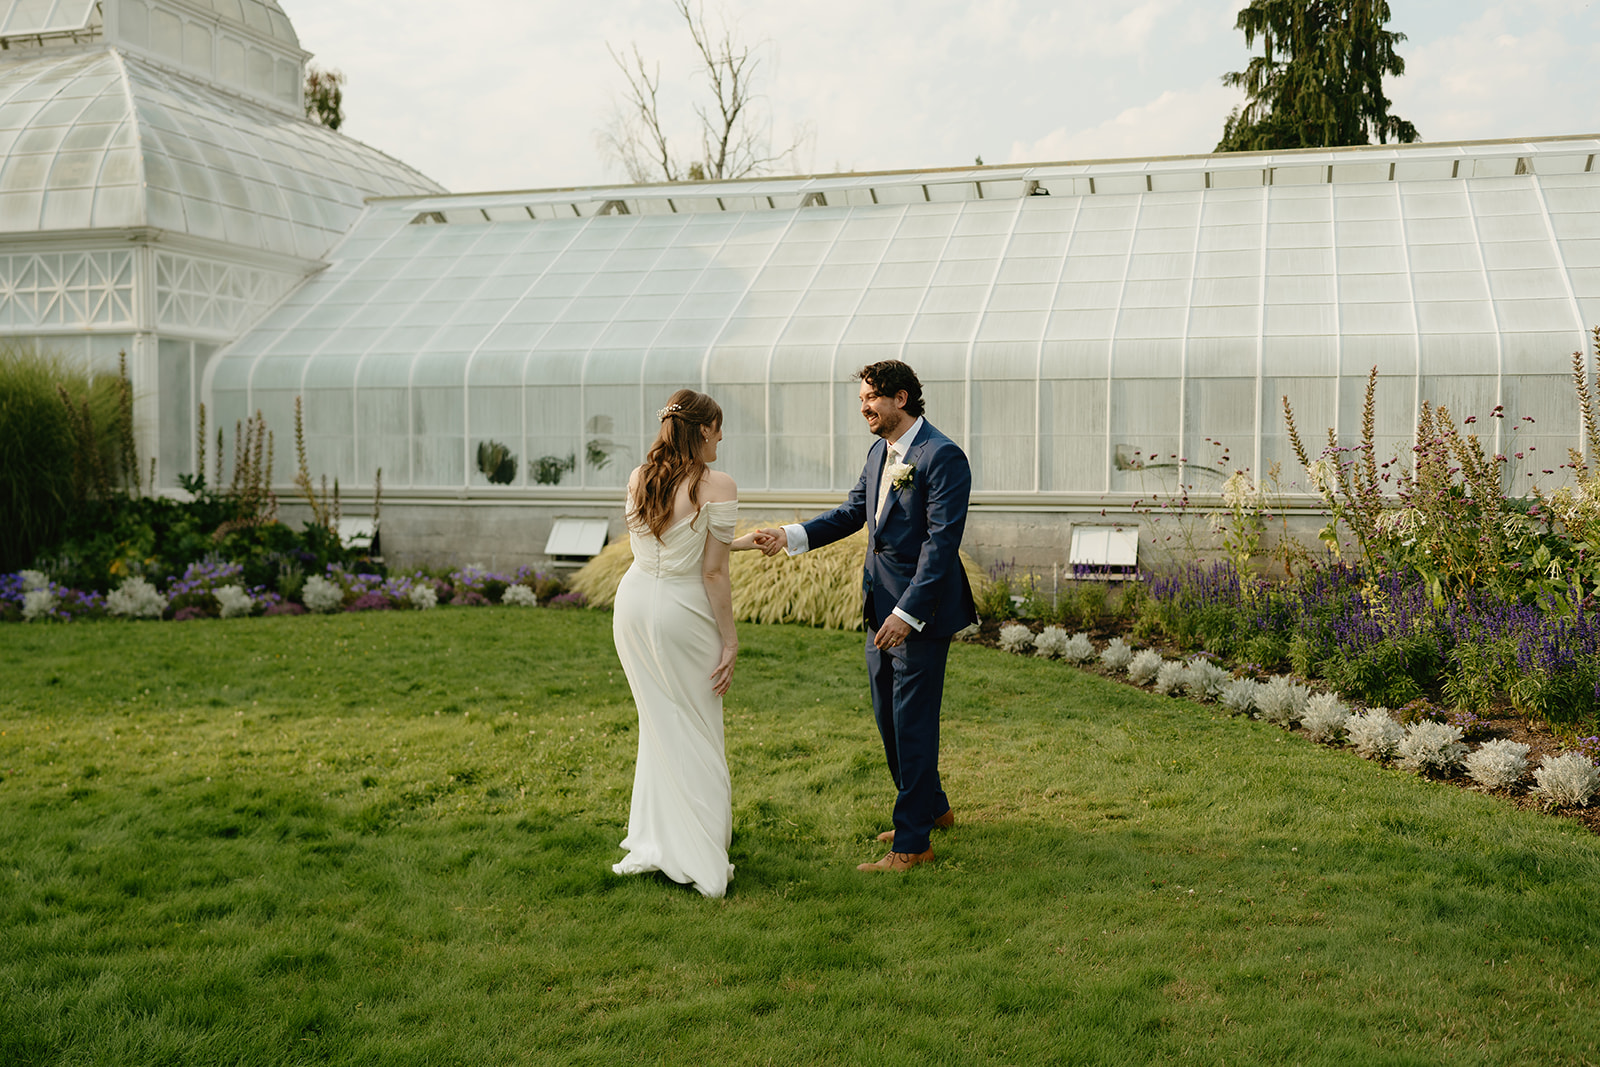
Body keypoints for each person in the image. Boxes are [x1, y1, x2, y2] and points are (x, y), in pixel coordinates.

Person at [755, 360, 977, 873]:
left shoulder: (942, 457)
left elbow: (941, 545)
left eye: (871, 398)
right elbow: (854, 513)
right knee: (889, 718)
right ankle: (932, 807)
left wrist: (908, 612)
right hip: (878, 606)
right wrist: (789, 536)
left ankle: (912, 843)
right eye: (860, 399)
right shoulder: (881, 452)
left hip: (919, 612)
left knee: (912, 723)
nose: (863, 408)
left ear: (901, 398)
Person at [611, 389, 761, 898]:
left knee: (659, 727)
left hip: (633, 605)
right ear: (701, 430)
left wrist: (742, 540)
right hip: (682, 613)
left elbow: (668, 540)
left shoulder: (640, 477)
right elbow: (712, 573)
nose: (722, 436)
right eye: (718, 428)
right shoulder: (717, 484)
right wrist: (731, 640)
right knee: (697, 725)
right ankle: (697, 850)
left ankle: (659, 841)